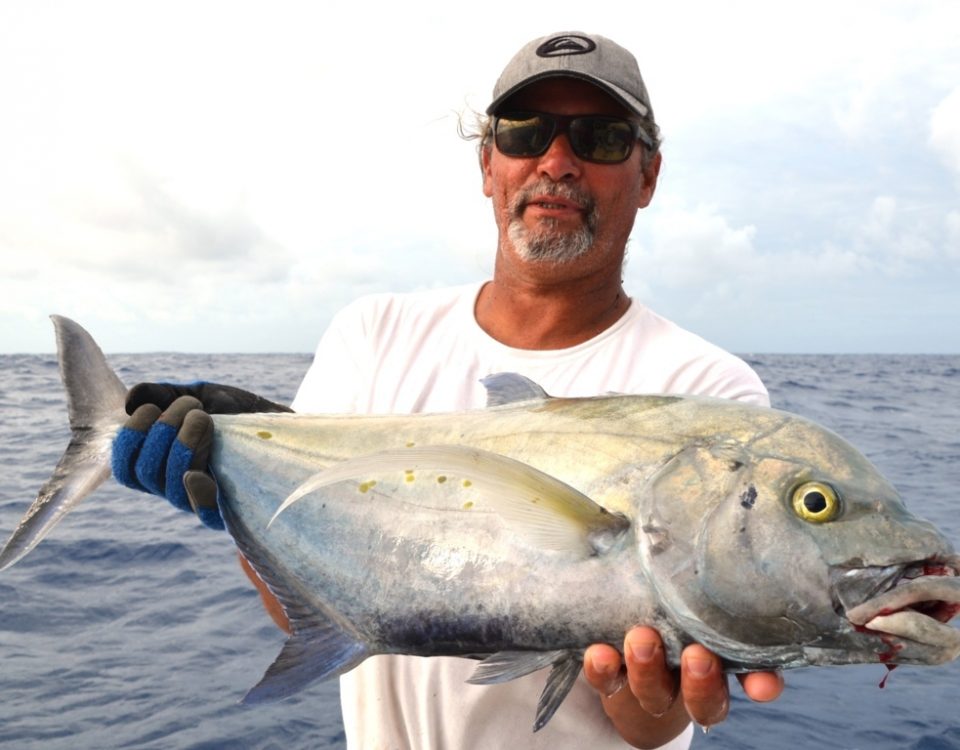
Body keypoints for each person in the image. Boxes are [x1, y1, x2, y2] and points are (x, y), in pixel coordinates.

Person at [113, 31, 784, 750]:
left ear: (647, 176)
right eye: (526, 134)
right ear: (488, 165)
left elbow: (648, 728)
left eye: (602, 138)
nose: (557, 163)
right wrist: (239, 506)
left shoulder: (706, 394)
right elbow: (311, 607)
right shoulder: (374, 335)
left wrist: (658, 687)